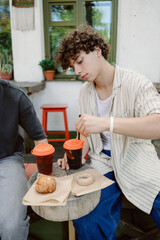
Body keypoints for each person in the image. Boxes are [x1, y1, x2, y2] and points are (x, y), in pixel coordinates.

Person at [57, 25, 160, 239]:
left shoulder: (136, 82)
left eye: (79, 61)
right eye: (72, 66)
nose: (76, 71)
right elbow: (85, 135)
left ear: (97, 50)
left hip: (137, 158)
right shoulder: (84, 93)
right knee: (86, 218)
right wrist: (74, 153)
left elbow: (157, 125)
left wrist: (106, 123)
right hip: (101, 163)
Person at [0, 79, 48, 240]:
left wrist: (46, 175)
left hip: (7, 159)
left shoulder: (15, 96)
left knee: (12, 226)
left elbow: (39, 138)